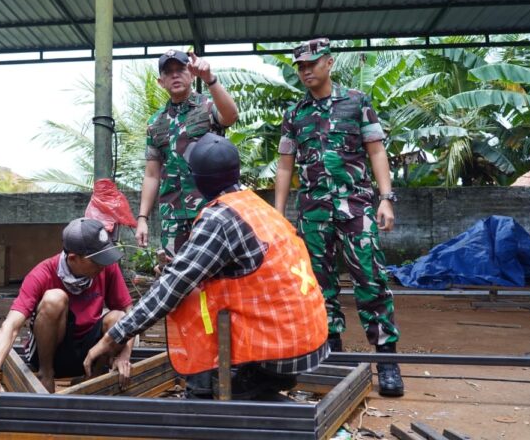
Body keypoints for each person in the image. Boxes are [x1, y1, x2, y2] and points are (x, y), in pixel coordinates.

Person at [85, 133, 329, 400]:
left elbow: (171, 287)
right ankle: (235, 386)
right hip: (308, 338)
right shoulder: (256, 205)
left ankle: (210, 392)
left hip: (278, 350)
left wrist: (114, 337)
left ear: (198, 179)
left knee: (188, 297)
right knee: (197, 288)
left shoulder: (219, 217)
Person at [273, 37, 404, 397]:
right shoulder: (295, 114)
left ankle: (387, 361)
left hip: (356, 208)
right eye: (301, 66)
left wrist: (386, 199)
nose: (306, 71)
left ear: (329, 63)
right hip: (313, 213)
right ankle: (333, 358)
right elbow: (284, 166)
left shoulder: (357, 102)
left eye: (312, 64)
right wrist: (279, 214)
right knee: (318, 286)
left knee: (371, 280)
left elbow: (376, 151)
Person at [0, 218, 134, 414]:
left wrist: (124, 356)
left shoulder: (106, 267)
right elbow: (10, 326)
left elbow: (129, 313)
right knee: (54, 299)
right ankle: (46, 374)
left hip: (90, 352)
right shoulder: (42, 274)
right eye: (96, 260)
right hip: (52, 351)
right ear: (73, 258)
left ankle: (94, 377)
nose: (103, 265)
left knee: (118, 318)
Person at [135, 49, 238, 257]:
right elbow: (152, 174)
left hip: (211, 209)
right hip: (173, 216)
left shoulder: (208, 107)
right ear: (161, 82)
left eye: (181, 69)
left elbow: (230, 116)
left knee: (217, 268)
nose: (175, 75)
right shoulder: (155, 123)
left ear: (191, 74)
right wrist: (142, 218)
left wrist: (210, 79)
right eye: (168, 72)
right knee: (175, 269)